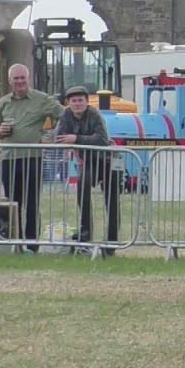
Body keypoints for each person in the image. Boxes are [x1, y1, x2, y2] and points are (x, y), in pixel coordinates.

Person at [0, 64, 63, 252]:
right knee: (12, 204)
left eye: (22, 78)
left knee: (32, 204)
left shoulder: (42, 99)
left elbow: (63, 115)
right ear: (10, 81)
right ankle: (14, 244)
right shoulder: (2, 103)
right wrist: (0, 131)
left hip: (33, 158)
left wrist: (51, 136)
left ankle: (32, 246)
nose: (19, 82)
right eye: (16, 78)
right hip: (9, 159)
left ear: (28, 78)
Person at [55, 86, 119, 252]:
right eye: (73, 101)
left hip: (107, 160)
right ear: (68, 103)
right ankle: (86, 232)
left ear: (87, 102)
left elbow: (102, 140)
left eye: (80, 100)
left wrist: (76, 139)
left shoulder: (95, 115)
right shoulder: (66, 115)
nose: (77, 104)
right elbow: (59, 138)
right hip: (88, 160)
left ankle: (112, 241)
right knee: (83, 187)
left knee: (112, 200)